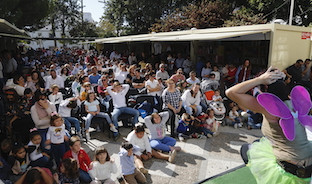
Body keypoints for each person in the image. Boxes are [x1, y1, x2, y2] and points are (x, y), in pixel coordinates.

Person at [226, 67, 312, 183]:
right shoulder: (294, 102)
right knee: (260, 144)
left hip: (292, 169)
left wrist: (260, 79)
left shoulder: (269, 109)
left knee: (247, 150)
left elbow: (231, 92)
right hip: (308, 159)